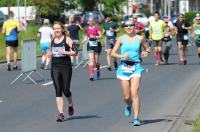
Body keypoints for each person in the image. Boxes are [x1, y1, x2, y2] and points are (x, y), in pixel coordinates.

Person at [111, 20, 150, 126]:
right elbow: (112, 53)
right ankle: (128, 105)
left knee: (134, 92)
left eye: (131, 25)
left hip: (136, 67)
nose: (128, 27)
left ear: (134, 26)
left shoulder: (140, 38)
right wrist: (121, 56)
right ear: (124, 27)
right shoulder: (121, 39)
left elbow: (148, 48)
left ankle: (136, 118)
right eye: (126, 25)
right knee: (127, 96)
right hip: (124, 68)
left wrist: (146, 52)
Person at [47, 21, 78, 122]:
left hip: (66, 66)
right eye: (55, 29)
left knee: (66, 90)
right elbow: (50, 52)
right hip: (55, 66)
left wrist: (65, 52)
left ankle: (70, 104)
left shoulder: (67, 39)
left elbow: (75, 52)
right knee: (58, 89)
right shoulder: (51, 41)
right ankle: (61, 114)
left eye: (58, 28)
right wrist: (49, 54)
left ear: (62, 29)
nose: (56, 30)